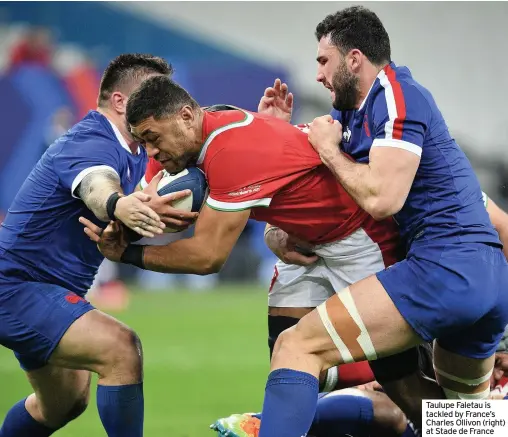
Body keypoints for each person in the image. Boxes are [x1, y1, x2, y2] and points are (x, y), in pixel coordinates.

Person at [228, 6, 508, 437]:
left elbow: (380, 198)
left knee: (296, 347)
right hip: (483, 280)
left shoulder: (396, 95)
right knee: (463, 423)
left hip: (446, 270)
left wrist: (328, 151)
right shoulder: (356, 117)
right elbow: (317, 191)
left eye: (324, 61)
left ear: (354, 59)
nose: (318, 74)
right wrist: (275, 135)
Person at [0, 54, 196, 437]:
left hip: (48, 291)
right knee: (121, 349)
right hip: (16, 287)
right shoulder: (93, 138)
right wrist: (117, 204)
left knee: (63, 404)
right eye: (152, 93)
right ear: (121, 101)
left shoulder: (138, 149)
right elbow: (96, 184)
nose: (161, 103)